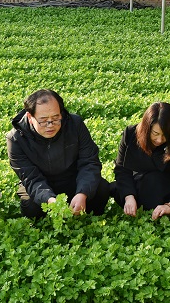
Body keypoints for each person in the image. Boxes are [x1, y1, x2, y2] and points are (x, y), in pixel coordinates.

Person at [6, 89, 110, 218]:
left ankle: (86, 216)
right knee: (31, 207)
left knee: (102, 188)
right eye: (43, 120)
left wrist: (82, 193)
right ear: (30, 117)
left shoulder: (75, 124)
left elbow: (89, 161)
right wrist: (49, 200)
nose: (50, 125)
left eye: (56, 118)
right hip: (41, 183)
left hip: (73, 179)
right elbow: (30, 178)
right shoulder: (15, 138)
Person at [112, 102, 170, 220]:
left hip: (166, 190)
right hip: (136, 187)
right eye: (155, 133)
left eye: (165, 135)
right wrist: (129, 196)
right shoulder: (130, 134)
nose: (159, 140)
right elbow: (122, 170)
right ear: (147, 128)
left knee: (155, 180)